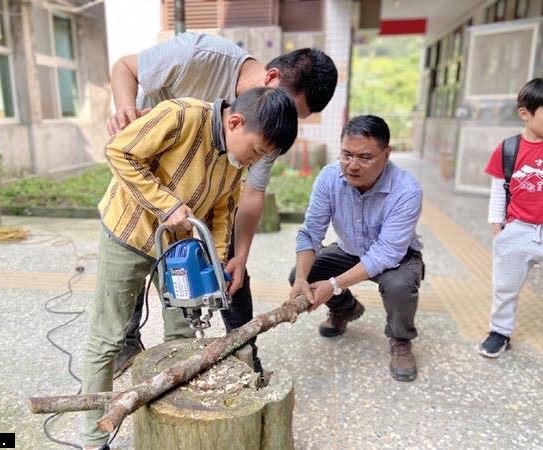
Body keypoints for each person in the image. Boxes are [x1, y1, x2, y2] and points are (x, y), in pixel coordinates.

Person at [108, 31, 338, 379]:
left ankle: (243, 352)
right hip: (153, 177)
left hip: (212, 193)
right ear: (271, 79)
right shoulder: (200, 55)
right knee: (137, 254)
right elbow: (125, 67)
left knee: (227, 268)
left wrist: (239, 257)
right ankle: (126, 339)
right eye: (289, 106)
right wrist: (125, 110)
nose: (285, 119)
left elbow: (251, 195)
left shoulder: (267, 132)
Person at [81, 86, 298, 450]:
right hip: (129, 235)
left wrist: (216, 261)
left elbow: (223, 210)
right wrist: (165, 205)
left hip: (179, 248)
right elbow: (119, 151)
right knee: (108, 336)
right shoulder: (180, 116)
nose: (253, 161)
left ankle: (174, 422)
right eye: (257, 151)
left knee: (182, 335)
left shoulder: (233, 161)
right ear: (235, 122)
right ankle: (93, 437)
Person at [288, 115, 425, 382]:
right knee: (299, 274)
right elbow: (311, 231)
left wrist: (334, 285)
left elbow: (386, 253)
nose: (352, 165)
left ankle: (400, 339)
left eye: (364, 157)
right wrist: (304, 279)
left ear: (386, 155)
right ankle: (345, 308)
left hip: (397, 257)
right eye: (346, 154)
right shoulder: (329, 177)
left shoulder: (407, 190)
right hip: (349, 250)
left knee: (399, 286)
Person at [479, 77, 543, 358]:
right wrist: (498, 228)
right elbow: (498, 191)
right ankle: (500, 332)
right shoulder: (509, 149)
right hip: (517, 229)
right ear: (525, 114)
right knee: (506, 286)